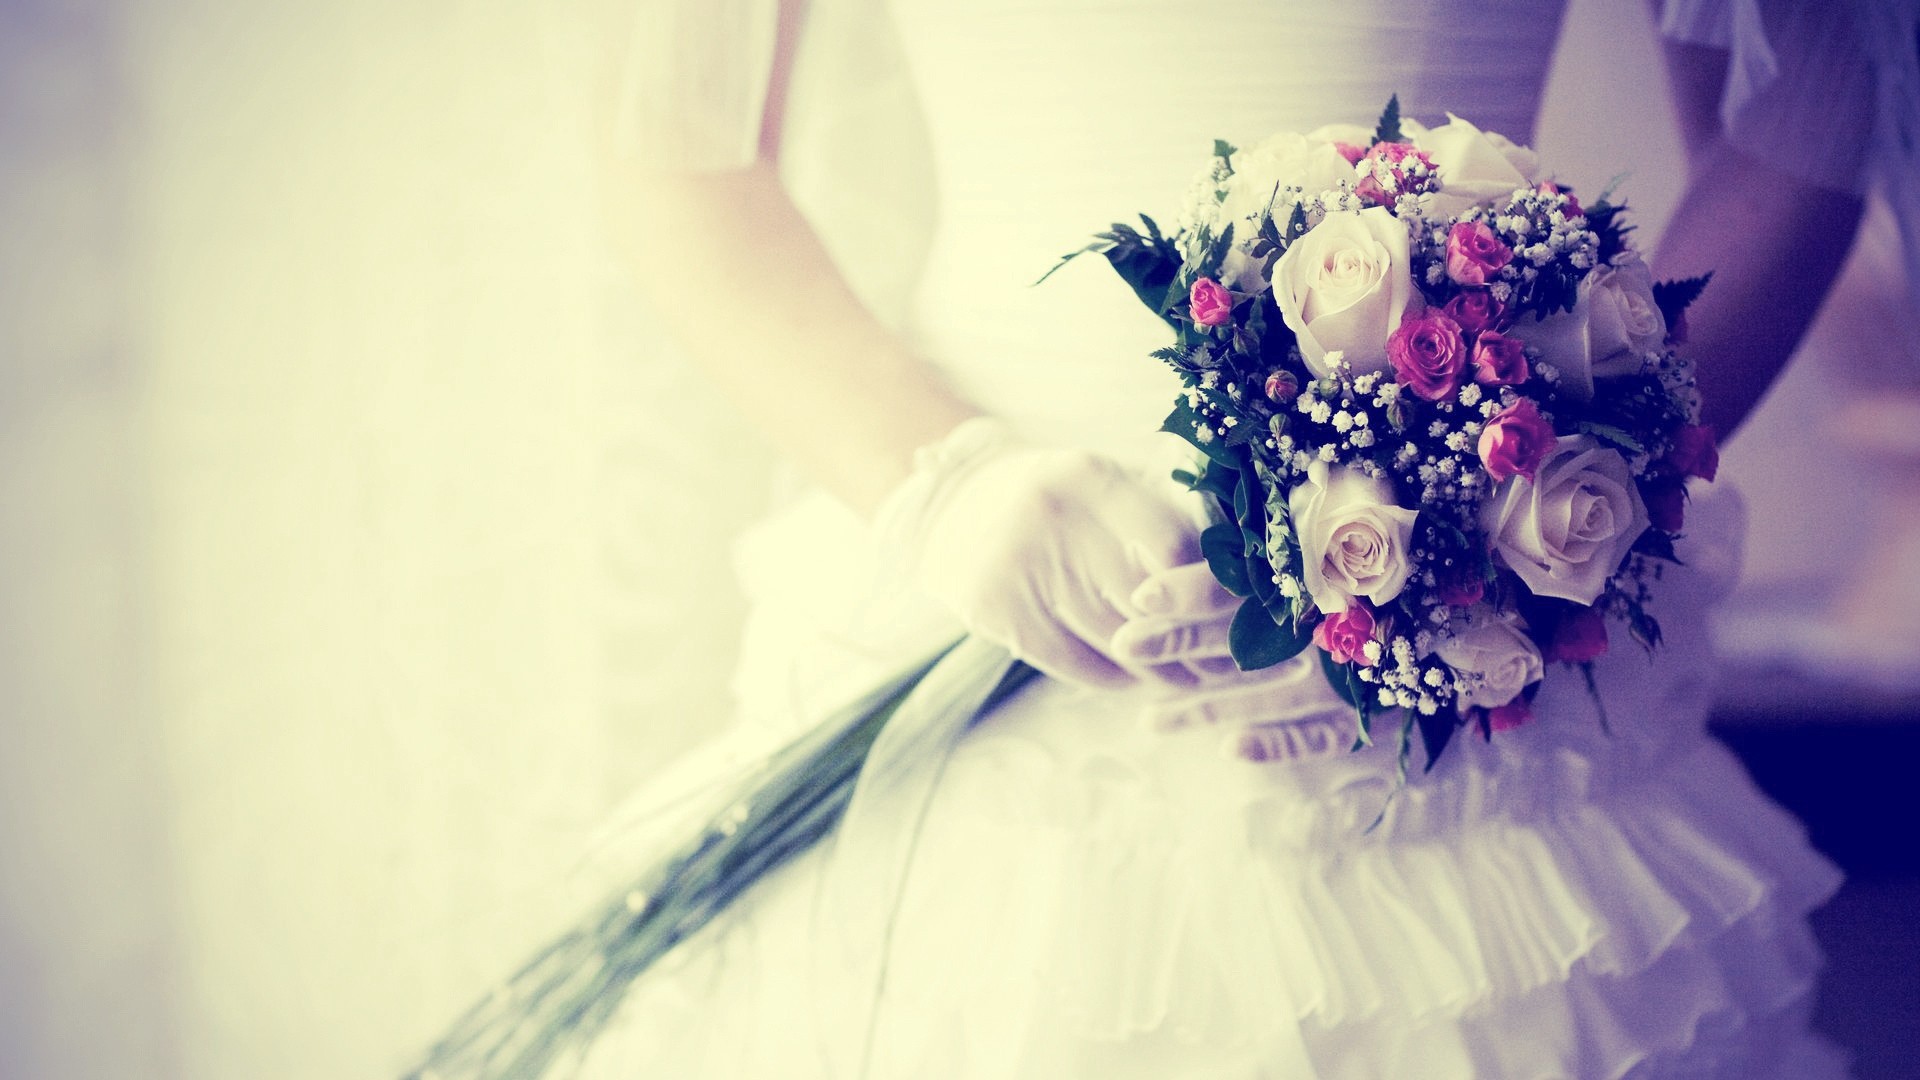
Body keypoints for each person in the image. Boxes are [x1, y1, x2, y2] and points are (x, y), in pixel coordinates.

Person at [557, 1, 1875, 1075]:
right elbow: (680, 149)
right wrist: (948, 488)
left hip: (1467, 654)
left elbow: (1804, 114)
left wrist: (1487, 545)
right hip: (983, 596)